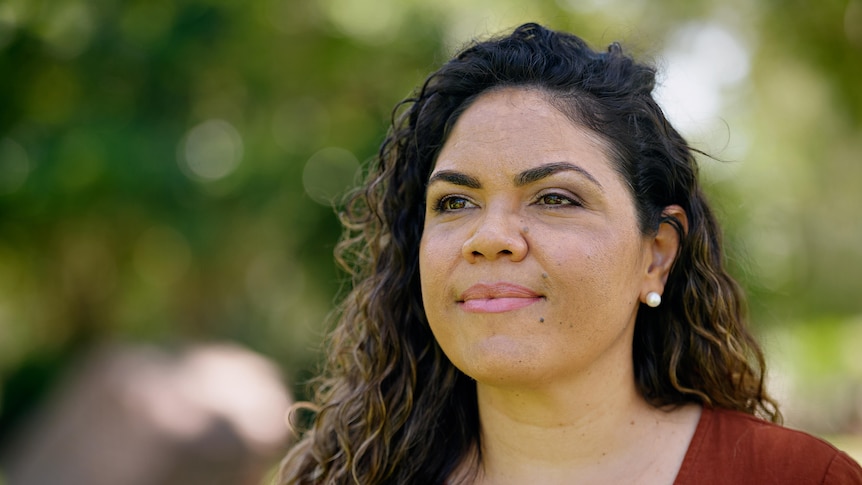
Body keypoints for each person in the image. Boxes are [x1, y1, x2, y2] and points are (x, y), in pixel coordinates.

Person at [277, 23, 862, 484]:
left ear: (655, 254)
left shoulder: (801, 479)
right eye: (454, 202)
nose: (489, 236)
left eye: (554, 198)